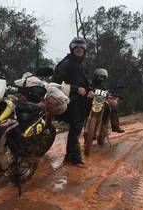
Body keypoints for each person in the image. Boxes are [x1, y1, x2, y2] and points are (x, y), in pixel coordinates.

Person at [52, 37, 93, 165]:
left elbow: (86, 82)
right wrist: (76, 89)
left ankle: (70, 156)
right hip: (68, 100)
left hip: (80, 101)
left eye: (82, 47)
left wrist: (90, 89)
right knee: (75, 128)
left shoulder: (81, 64)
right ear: (72, 49)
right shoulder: (66, 63)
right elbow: (57, 81)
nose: (79, 49)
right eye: (77, 47)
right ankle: (74, 158)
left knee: (77, 128)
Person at [91, 68, 125, 133]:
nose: (102, 79)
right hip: (92, 101)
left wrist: (116, 95)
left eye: (104, 77)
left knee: (113, 107)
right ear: (96, 76)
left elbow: (107, 92)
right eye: (100, 77)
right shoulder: (90, 84)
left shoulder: (102, 86)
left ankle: (115, 127)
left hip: (101, 102)